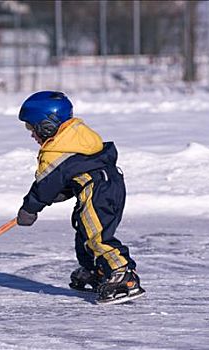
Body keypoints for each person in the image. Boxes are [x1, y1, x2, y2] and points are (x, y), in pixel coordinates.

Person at [16, 91, 145, 304]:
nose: (31, 135)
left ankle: (123, 274)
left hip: (96, 190)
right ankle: (97, 270)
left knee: (97, 236)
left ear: (46, 125)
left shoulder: (56, 151)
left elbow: (44, 186)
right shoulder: (78, 134)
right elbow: (79, 168)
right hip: (110, 183)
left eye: (32, 128)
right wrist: (65, 190)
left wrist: (29, 209)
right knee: (85, 232)